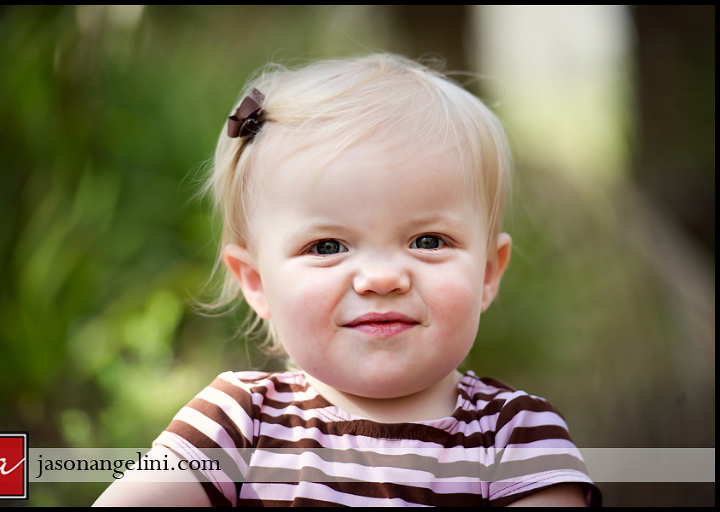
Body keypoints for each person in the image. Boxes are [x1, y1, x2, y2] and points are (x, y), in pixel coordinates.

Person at [95, 54, 601, 507]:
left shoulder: (515, 438)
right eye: (327, 247)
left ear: (489, 272)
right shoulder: (237, 423)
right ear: (256, 282)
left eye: (428, 241)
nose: (382, 278)